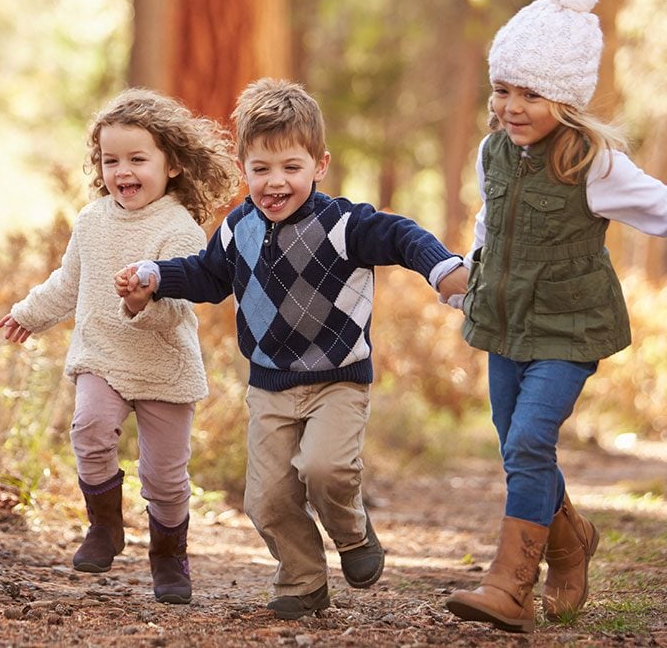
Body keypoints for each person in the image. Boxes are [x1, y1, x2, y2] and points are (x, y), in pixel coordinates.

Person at [114, 78, 469, 620]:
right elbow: (209, 277)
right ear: (244, 170)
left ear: (319, 165)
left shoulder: (343, 225)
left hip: (337, 377)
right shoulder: (238, 230)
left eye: (290, 168)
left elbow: (401, 235)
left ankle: (351, 534)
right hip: (270, 384)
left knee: (326, 469)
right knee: (268, 499)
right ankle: (302, 579)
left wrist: (443, 268)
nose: (274, 183)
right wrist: (154, 275)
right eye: (260, 170)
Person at [444, 0, 667, 633]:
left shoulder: (592, 163)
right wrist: (469, 277)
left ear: (566, 100)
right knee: (517, 446)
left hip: (569, 329)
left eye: (531, 94)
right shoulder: (495, 152)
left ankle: (510, 585)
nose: (511, 106)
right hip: (505, 323)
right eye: (502, 89)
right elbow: (493, 223)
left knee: (532, 438)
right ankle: (571, 541)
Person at [0, 88, 239, 605]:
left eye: (137, 159)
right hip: (102, 355)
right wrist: (28, 314)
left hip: (163, 366)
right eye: (111, 160)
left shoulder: (180, 229)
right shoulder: (92, 221)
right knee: (88, 429)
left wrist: (139, 303)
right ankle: (104, 526)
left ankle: (169, 557)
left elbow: (177, 312)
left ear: (171, 163)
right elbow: (67, 282)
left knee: (166, 480)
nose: (122, 171)